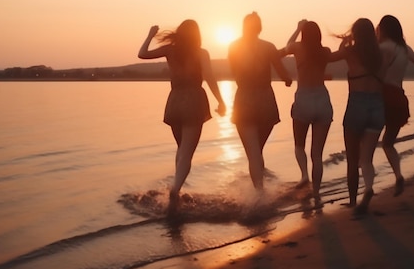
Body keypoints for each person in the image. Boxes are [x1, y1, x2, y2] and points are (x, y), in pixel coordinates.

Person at [138, 20, 226, 216]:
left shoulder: (171, 50)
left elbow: (142, 54)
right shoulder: (201, 53)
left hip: (175, 101)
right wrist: (221, 101)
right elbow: (210, 77)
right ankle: (175, 190)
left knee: (181, 149)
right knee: (186, 153)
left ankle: (176, 192)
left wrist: (151, 35)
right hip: (194, 100)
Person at [228, 12, 293, 191]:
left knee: (253, 153)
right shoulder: (269, 47)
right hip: (266, 101)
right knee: (257, 150)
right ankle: (260, 192)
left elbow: (234, 72)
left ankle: (258, 196)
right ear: (259, 27)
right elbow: (284, 75)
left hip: (244, 100)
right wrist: (288, 80)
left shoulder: (234, 47)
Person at [376, 14, 414, 196]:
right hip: (399, 99)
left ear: (384, 29)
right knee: (388, 143)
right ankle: (398, 176)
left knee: (369, 140)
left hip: (383, 98)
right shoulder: (405, 49)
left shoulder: (383, 47)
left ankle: (366, 181)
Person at [331, 18, 385, 214]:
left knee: (352, 159)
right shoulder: (381, 53)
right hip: (378, 106)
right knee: (366, 159)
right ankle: (368, 188)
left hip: (357, 105)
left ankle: (353, 201)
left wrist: (345, 42)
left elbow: (329, 58)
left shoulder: (351, 52)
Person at [278, 19, 334, 204]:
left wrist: (297, 29)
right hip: (322, 100)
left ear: (304, 34)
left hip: (304, 100)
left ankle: (304, 176)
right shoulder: (325, 52)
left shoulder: (298, 48)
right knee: (317, 154)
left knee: (299, 145)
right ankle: (316, 192)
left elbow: (286, 47)